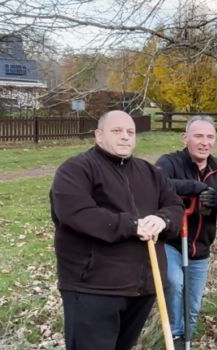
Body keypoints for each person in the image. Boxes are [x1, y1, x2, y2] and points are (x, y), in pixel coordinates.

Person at [50, 110, 184, 350]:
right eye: (117, 131)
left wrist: (162, 220)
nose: (125, 137)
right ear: (98, 135)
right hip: (94, 288)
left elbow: (175, 206)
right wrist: (133, 225)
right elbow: (78, 214)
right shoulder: (76, 170)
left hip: (142, 287)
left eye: (130, 132)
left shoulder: (150, 172)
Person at [155, 116, 217, 348]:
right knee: (174, 282)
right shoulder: (171, 162)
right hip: (171, 242)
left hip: (201, 247)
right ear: (186, 138)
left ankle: (186, 339)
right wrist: (195, 187)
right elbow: (156, 183)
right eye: (198, 136)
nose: (205, 142)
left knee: (192, 302)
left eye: (210, 137)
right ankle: (175, 335)